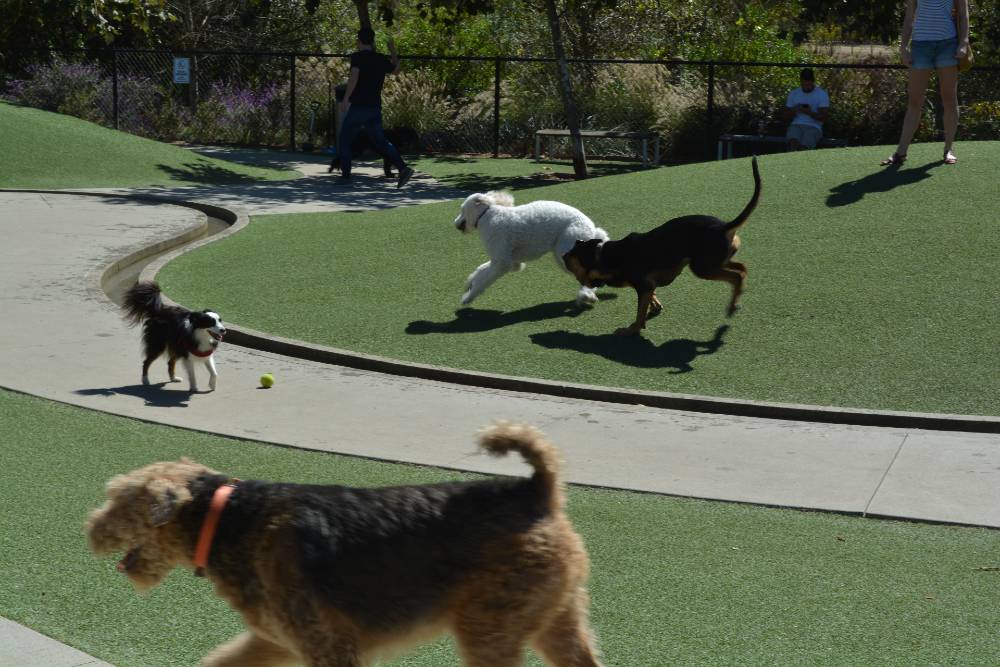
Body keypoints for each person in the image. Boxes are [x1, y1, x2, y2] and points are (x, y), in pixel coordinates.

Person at [881, 0, 971, 166]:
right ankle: (900, 153)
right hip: (920, 46)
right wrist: (903, 48)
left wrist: (963, 43)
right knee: (914, 101)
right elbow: (909, 18)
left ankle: (948, 149)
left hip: (948, 44)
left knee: (949, 99)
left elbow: (964, 14)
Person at [338, 27, 414, 188]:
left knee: (345, 140)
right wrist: (393, 51)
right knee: (382, 142)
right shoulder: (380, 58)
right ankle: (403, 168)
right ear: (372, 42)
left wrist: (345, 99)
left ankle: (345, 176)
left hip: (358, 107)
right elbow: (396, 71)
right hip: (374, 108)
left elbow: (354, 77)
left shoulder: (357, 58)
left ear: (358, 41)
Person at [782, 68, 830, 151]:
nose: (806, 87)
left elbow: (824, 118)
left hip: (814, 127)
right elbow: (784, 117)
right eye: (804, 84)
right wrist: (794, 110)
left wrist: (809, 113)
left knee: (804, 148)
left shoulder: (821, 94)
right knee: (792, 143)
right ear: (800, 81)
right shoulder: (794, 93)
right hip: (796, 125)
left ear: (813, 81)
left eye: (808, 85)